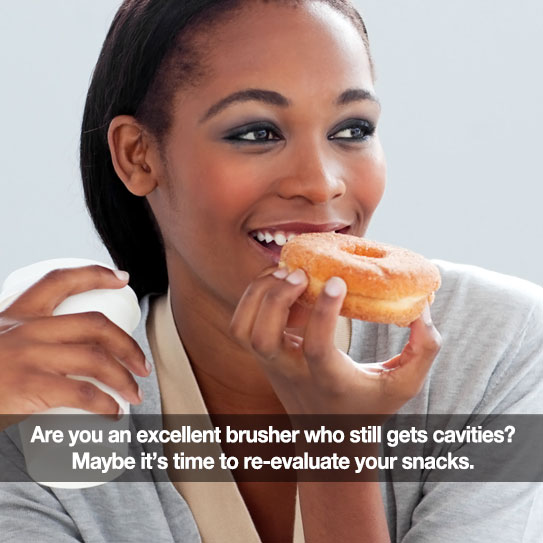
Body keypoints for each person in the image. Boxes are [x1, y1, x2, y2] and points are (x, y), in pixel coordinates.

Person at [0, 0, 542, 541]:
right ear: (139, 156)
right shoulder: (42, 404)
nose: (320, 181)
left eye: (352, 129)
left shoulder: (496, 348)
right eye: (257, 133)